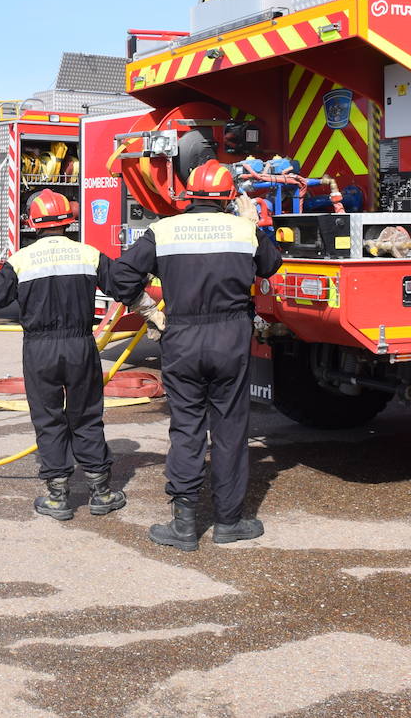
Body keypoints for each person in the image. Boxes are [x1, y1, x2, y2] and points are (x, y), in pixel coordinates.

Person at [111, 160, 282, 550]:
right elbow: (272, 266)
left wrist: (152, 313)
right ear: (227, 199)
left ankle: (184, 525)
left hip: (182, 337)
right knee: (230, 430)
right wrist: (253, 221)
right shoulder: (244, 230)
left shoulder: (163, 231)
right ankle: (228, 522)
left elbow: (121, 278)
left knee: (187, 428)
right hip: (230, 339)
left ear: (188, 198)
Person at [0, 189, 130, 521]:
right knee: (86, 416)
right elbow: (123, 285)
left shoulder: (21, 260)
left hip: (40, 349)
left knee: (48, 418)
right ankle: (101, 492)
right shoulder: (88, 254)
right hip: (80, 345)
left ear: (32, 222)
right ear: (69, 221)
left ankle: (58, 497)